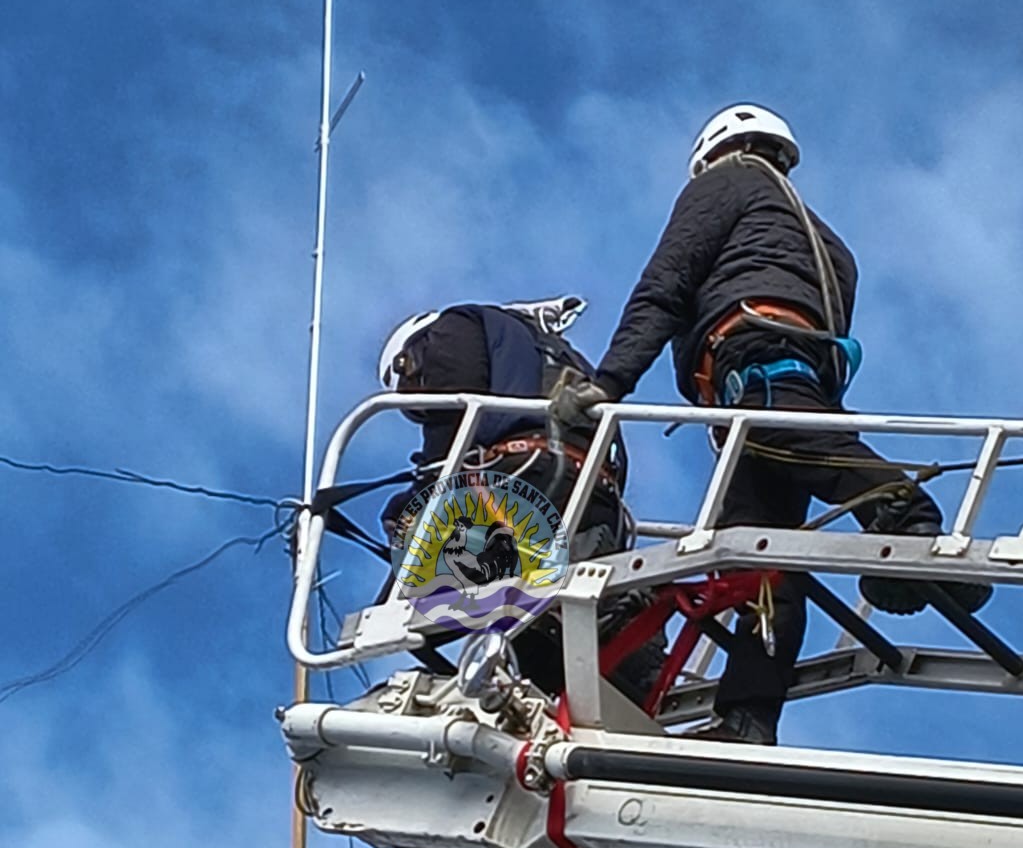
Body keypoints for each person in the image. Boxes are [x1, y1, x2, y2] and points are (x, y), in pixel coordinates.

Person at [550, 103, 989, 745]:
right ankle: (748, 717)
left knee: (787, 440)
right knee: (758, 562)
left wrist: (608, 384)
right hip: (794, 372)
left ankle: (902, 509)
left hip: (752, 361)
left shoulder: (725, 184)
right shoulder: (830, 244)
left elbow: (667, 284)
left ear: (713, 154)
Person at [377, 296, 661, 701]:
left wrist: (410, 508)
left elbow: (452, 417)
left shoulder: (454, 329)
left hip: (525, 481)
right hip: (595, 496)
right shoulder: (558, 354)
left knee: (408, 532)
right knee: (537, 652)